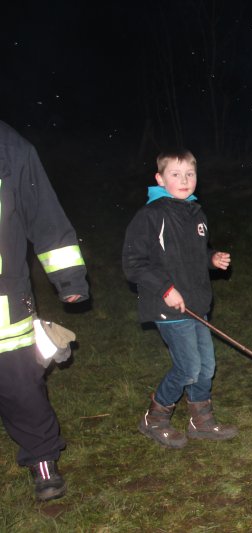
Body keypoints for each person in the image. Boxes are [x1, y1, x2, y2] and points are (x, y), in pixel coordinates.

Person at [123, 149, 237, 449]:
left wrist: (212, 259)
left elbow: (195, 255)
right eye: (176, 174)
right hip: (168, 306)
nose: (184, 180)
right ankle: (154, 419)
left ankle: (201, 421)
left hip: (197, 304)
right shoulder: (151, 215)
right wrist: (165, 289)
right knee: (188, 368)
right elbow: (134, 264)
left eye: (190, 174)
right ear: (160, 178)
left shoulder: (196, 213)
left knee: (206, 366)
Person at [0, 120, 89, 501]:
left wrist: (69, 279)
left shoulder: (10, 147)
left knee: (21, 388)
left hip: (5, 304)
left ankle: (42, 461)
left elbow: (45, 216)